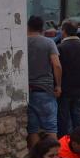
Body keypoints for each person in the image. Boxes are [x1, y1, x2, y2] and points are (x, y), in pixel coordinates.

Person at [26, 15, 62, 149]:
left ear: (28, 26)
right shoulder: (49, 43)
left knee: (33, 129)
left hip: (28, 92)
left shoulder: (22, 43)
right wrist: (58, 86)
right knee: (51, 128)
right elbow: (57, 65)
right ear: (42, 28)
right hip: (45, 91)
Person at [57, 20, 80, 138]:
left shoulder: (60, 48)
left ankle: (66, 148)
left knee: (65, 123)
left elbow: (58, 70)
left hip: (65, 91)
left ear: (64, 31)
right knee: (79, 123)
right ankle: (79, 145)